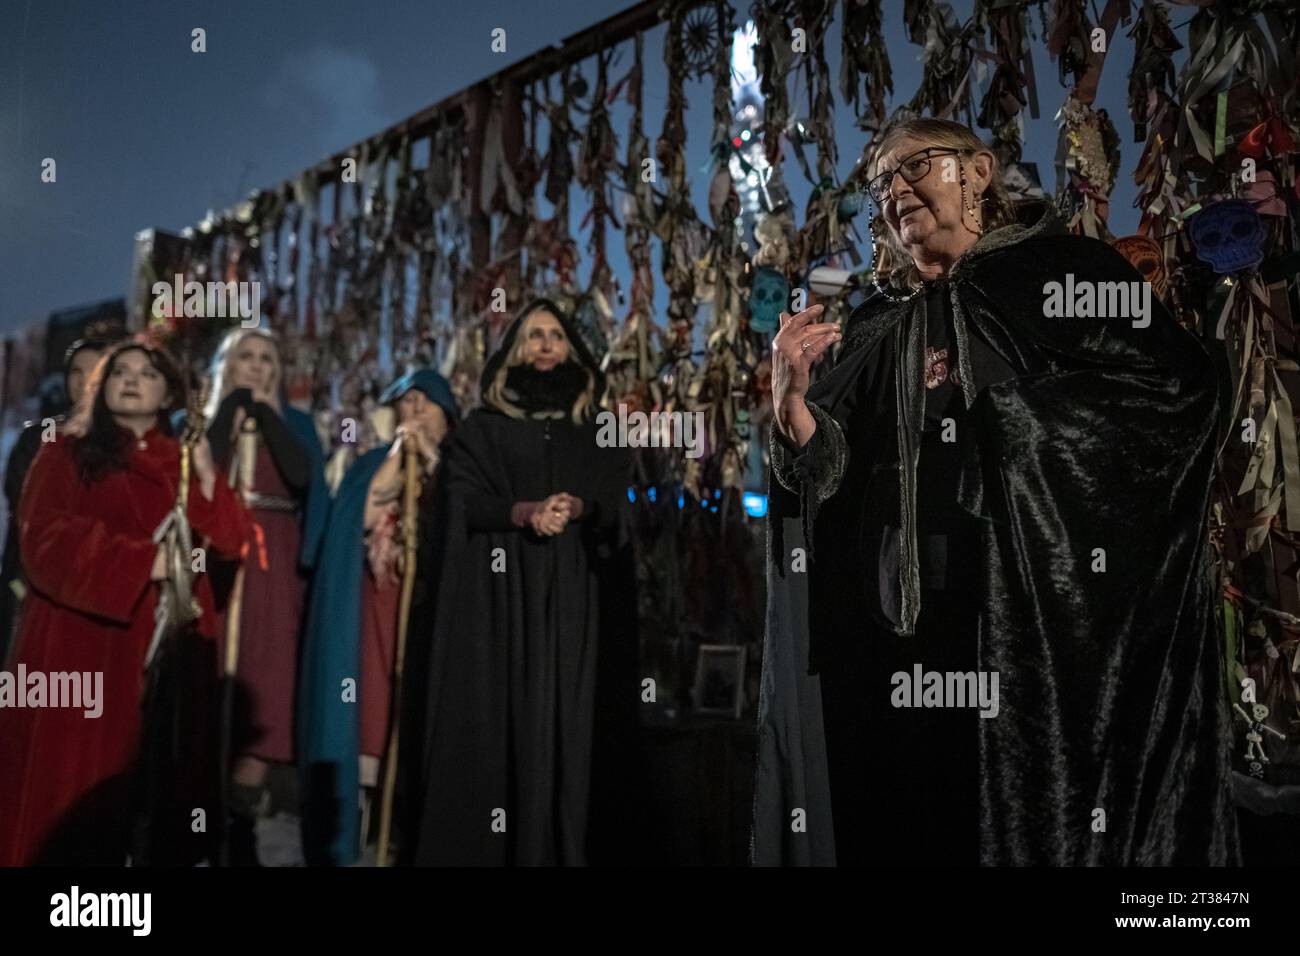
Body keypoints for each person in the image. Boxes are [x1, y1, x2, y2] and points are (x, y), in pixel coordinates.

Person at [753, 117, 1238, 866]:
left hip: (1036, 633)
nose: (894, 192)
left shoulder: (1060, 276)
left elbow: (1176, 389)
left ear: (978, 172)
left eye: (914, 166)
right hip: (903, 639)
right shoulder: (878, 326)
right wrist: (791, 412)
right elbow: (832, 481)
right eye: (880, 184)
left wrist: (1020, 427)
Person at [0, 339, 249, 865]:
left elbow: (228, 542)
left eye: (147, 373)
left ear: (166, 394)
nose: (132, 379)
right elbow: (43, 540)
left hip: (158, 655)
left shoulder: (179, 462)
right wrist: (142, 562)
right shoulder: (65, 451)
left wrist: (205, 474)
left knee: (146, 798)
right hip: (76, 649)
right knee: (67, 794)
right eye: (120, 373)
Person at [415, 299, 636, 866]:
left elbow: (621, 505)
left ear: (571, 350)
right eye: (533, 335)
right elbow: (461, 502)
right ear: (515, 349)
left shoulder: (597, 431)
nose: (545, 345)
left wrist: (580, 505)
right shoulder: (483, 430)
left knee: (571, 724)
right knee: (504, 722)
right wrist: (523, 512)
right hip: (502, 600)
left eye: (556, 336)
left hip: (574, 599)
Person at [299, 368, 459, 865]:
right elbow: (350, 525)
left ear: (447, 417)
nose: (413, 411)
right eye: (405, 403)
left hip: (430, 618)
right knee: (369, 720)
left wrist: (434, 472)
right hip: (374, 616)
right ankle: (363, 836)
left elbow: (460, 527)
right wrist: (390, 477)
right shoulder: (368, 464)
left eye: (424, 403)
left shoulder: (459, 469)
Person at [199, 327, 328, 859]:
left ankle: (243, 814)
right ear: (228, 365)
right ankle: (204, 809)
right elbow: (201, 471)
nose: (255, 366)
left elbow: (302, 477)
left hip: (273, 555)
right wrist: (231, 408)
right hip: (220, 556)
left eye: (265, 359)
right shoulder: (205, 421)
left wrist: (266, 413)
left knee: (266, 680)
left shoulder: (296, 423)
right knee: (213, 673)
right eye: (245, 357)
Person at [0, 338, 106, 665]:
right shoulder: (41, 436)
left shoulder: (121, 445)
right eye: (76, 371)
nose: (83, 380)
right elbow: (27, 504)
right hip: (31, 586)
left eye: (95, 372)